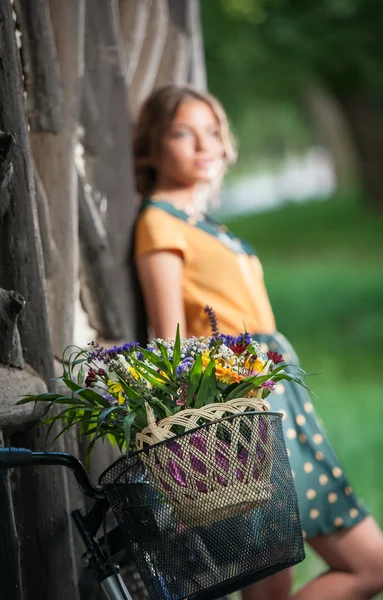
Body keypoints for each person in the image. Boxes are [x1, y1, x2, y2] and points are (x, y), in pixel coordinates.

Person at [133, 84, 383, 600]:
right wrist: (192, 446)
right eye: (183, 133)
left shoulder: (207, 226)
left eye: (213, 132)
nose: (203, 145)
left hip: (277, 397)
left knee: (370, 566)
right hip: (239, 409)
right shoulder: (159, 223)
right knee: (272, 582)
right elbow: (166, 341)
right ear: (152, 147)